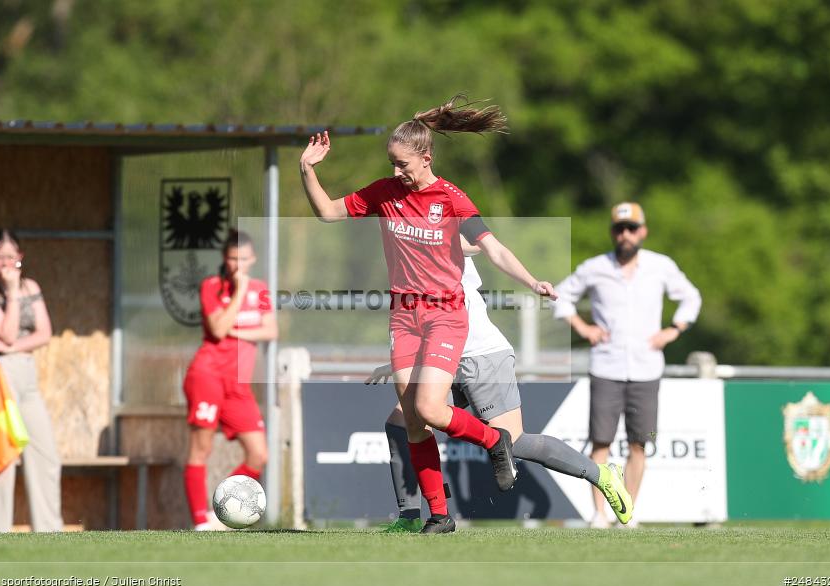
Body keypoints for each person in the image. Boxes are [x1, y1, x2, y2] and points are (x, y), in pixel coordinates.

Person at [300, 95, 555, 533]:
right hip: (404, 317)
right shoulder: (384, 192)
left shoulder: (451, 198)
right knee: (414, 420)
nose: (396, 172)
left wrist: (532, 282)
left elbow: (493, 247)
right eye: (392, 164)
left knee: (430, 407)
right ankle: (439, 516)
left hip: (445, 315)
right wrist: (307, 169)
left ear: (426, 156)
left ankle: (496, 442)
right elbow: (326, 212)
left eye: (403, 164)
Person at [367, 252, 633, 532]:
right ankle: (409, 517)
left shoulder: (436, 230)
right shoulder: (406, 246)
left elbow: (484, 247)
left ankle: (601, 474)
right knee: (402, 423)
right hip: (441, 356)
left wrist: (531, 282)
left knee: (515, 442)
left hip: (481, 355)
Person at [553, 202, 701, 528]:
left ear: (643, 231)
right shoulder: (595, 267)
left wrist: (673, 330)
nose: (626, 234)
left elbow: (692, 297)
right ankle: (599, 514)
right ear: (612, 232)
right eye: (620, 229)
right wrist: (583, 327)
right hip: (606, 367)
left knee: (640, 443)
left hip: (647, 369)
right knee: (601, 442)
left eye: (632, 228)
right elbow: (560, 296)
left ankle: (627, 513)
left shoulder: (661, 266)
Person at [183, 229, 278, 531]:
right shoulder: (211, 286)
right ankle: (200, 521)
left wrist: (238, 331)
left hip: (239, 386)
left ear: (253, 259)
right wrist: (238, 292)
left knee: (258, 454)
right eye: (233, 259)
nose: (238, 265)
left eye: (244, 259)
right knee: (201, 449)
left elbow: (270, 330)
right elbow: (218, 328)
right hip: (207, 376)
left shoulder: (261, 289)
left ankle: (222, 509)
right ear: (225, 259)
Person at [0, 229, 62, 532]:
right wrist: (11, 292)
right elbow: (8, 330)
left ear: (20, 258)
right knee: (0, 460)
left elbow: (44, 333)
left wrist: (7, 346)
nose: (6, 263)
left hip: (27, 375)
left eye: (11, 256)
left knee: (45, 456)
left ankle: (49, 534)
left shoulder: (31, 286)